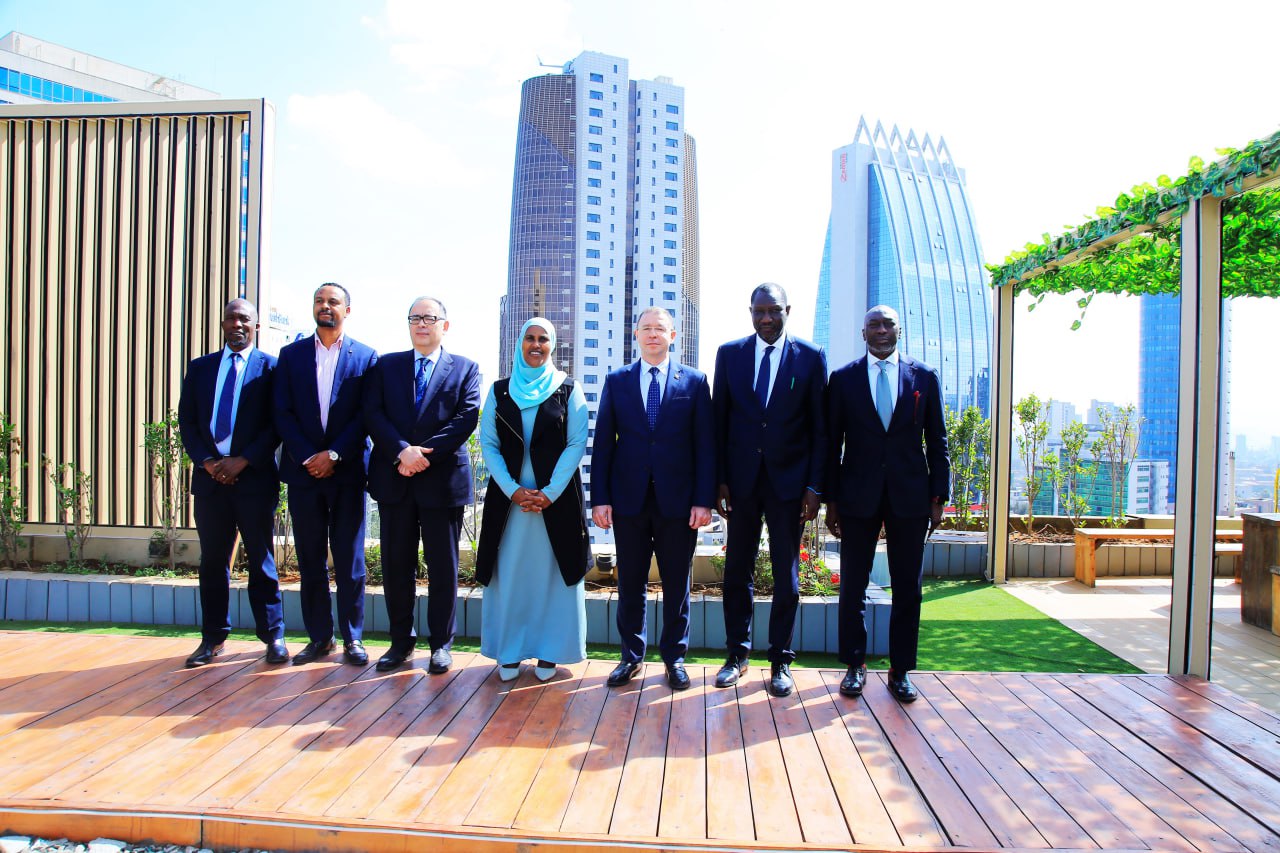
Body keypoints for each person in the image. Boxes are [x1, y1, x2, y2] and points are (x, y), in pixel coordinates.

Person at [825, 305, 950, 703]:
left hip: (910, 498)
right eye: (873, 325)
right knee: (853, 587)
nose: (881, 330)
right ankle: (854, 665)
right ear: (863, 333)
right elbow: (831, 445)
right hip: (856, 497)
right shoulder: (843, 379)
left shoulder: (924, 377)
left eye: (888, 324)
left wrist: (938, 497)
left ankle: (901, 670)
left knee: (908, 588)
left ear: (900, 330)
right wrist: (831, 501)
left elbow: (938, 440)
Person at [712, 283, 827, 697]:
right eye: (759, 311)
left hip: (789, 487)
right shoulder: (729, 355)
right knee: (736, 574)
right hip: (741, 485)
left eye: (773, 310)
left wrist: (814, 487)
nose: (766, 318)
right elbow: (719, 422)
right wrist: (720, 480)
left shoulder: (811, 357)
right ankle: (736, 656)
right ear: (750, 312)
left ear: (787, 311)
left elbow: (821, 429)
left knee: (787, 578)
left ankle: (781, 660)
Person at [591, 307, 714, 690]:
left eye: (660, 329)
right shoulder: (617, 381)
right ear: (636, 334)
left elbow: (705, 446)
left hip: (679, 503)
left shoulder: (694, 381)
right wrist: (600, 498)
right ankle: (631, 656)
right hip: (628, 500)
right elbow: (604, 443)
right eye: (646, 328)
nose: (653, 334)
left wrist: (703, 500)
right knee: (630, 583)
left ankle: (675, 658)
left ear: (672, 335)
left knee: (677, 584)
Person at [365, 297, 480, 673]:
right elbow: (373, 413)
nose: (422, 324)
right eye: (415, 318)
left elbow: (466, 418)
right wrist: (402, 451)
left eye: (430, 318)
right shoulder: (386, 366)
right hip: (395, 478)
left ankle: (441, 644)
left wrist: (423, 455)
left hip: (441, 481)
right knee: (396, 566)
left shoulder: (465, 368)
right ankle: (400, 643)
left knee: (443, 568)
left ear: (445, 325)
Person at [475, 317, 590, 682]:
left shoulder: (568, 390)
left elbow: (576, 443)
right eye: (530, 338)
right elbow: (489, 444)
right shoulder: (499, 391)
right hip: (509, 503)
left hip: (556, 502)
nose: (536, 345)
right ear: (520, 344)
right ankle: (508, 652)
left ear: (552, 346)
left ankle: (549, 652)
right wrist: (513, 489)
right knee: (510, 577)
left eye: (543, 339)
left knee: (553, 577)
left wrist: (549, 493)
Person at [177, 299, 287, 667]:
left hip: (254, 479)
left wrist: (244, 460)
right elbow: (188, 422)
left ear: (256, 326)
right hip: (210, 482)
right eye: (231, 318)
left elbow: (277, 423)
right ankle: (212, 638)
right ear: (223, 324)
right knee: (213, 561)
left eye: (244, 319)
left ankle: (273, 636)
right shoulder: (201, 368)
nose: (237, 324)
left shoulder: (272, 368)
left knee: (262, 560)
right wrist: (207, 462)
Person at [273, 283, 379, 667]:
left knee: (350, 560)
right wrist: (309, 456)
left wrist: (333, 454)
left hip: (346, 472)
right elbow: (282, 411)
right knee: (310, 558)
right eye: (319, 300)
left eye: (333, 301)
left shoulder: (366, 357)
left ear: (347, 310)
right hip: (304, 473)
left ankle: (353, 638)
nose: (325, 306)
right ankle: (320, 638)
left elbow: (367, 414)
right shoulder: (291, 355)